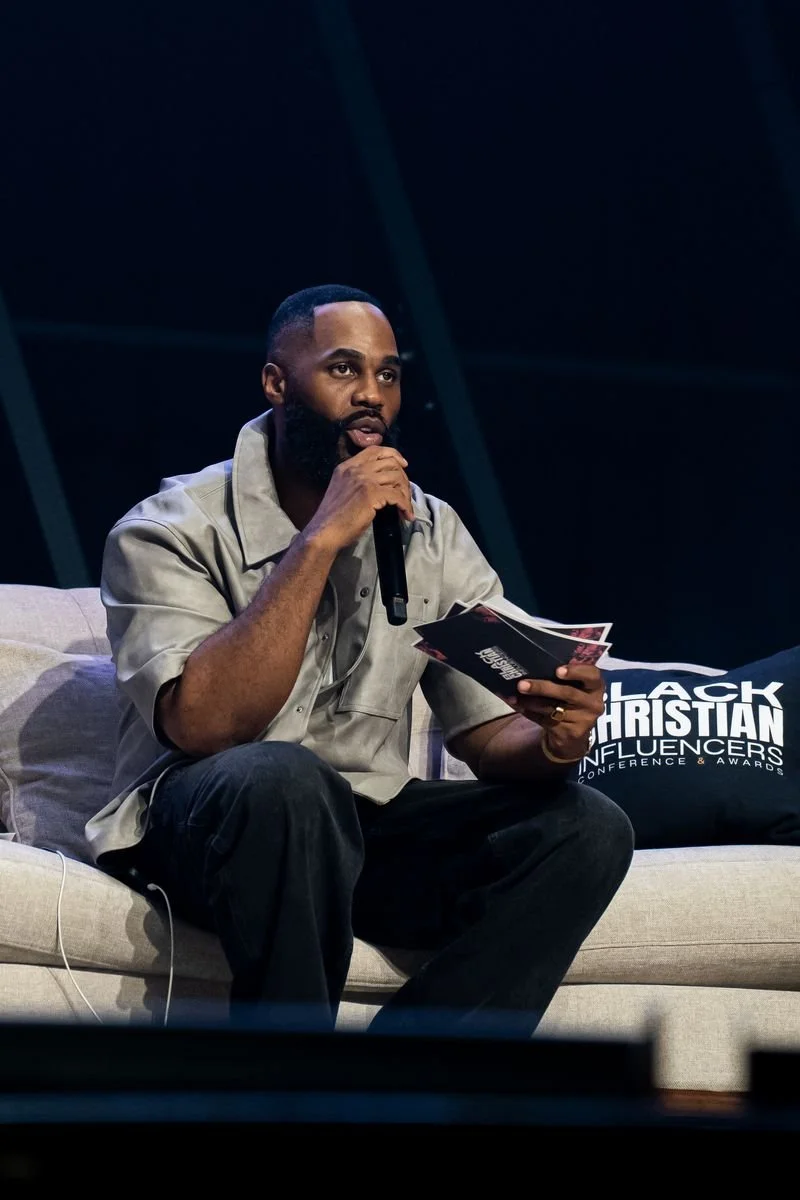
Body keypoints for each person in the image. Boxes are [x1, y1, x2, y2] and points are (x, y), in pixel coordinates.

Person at [90, 283, 634, 1036]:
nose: (372, 396)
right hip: (208, 828)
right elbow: (203, 725)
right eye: (344, 371)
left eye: (388, 374)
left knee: (586, 827)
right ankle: (292, 1096)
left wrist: (550, 739)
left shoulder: (428, 529)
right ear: (277, 382)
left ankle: (411, 1085)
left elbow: (483, 735)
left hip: (357, 830)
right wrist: (318, 540)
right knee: (286, 779)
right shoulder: (169, 527)